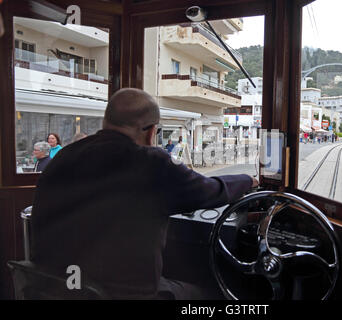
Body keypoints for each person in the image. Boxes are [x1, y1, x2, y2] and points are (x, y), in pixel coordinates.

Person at [31, 88, 258, 300]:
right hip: (120, 293)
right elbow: (209, 190)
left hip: (56, 287)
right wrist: (248, 180)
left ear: (105, 122)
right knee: (209, 293)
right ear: (151, 132)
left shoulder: (62, 157)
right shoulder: (150, 163)